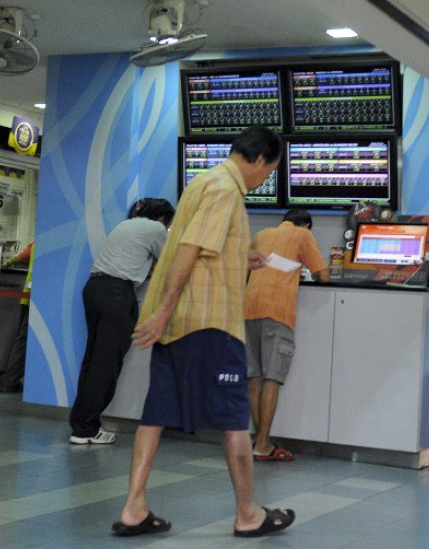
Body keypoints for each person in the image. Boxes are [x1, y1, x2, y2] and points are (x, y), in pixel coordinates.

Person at [115, 126, 295, 539]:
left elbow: (199, 247)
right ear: (259, 159)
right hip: (210, 324)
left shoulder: (203, 181)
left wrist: (241, 258)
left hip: (180, 326)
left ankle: (134, 508)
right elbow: (190, 251)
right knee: (234, 418)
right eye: (267, 173)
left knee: (155, 415)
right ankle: (248, 514)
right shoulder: (226, 191)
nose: (263, 180)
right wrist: (161, 310)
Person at [69, 198, 175, 444]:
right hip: (117, 294)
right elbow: (171, 260)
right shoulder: (156, 229)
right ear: (162, 218)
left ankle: (82, 424)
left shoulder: (126, 225)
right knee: (106, 363)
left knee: (93, 360)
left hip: (95, 288)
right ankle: (86, 429)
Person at [244, 209, 329, 462]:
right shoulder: (303, 234)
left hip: (248, 309)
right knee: (273, 377)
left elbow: (246, 271)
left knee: (255, 378)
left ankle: (262, 441)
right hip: (277, 311)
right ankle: (261, 445)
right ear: (306, 225)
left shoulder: (260, 234)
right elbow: (323, 275)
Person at [0, 242, 35, 393]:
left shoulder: (35, 244)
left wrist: (6, 263)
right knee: (25, 340)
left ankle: (12, 379)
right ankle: (10, 380)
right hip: (39, 299)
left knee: (23, 340)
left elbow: (19, 258)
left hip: (28, 296)